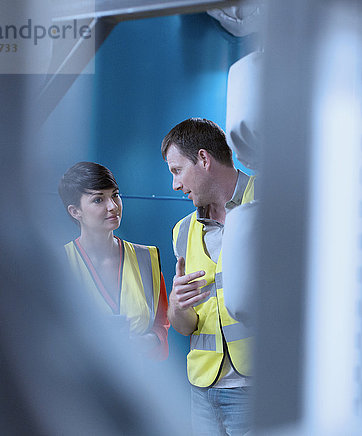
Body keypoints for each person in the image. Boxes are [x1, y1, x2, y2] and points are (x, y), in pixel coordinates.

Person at [161, 118, 255, 435]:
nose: (174, 185)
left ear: (203, 159)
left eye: (177, 170)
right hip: (203, 390)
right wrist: (176, 305)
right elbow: (185, 326)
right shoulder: (183, 230)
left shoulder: (271, 203)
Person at [58, 162, 169, 360]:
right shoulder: (58, 265)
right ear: (75, 211)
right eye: (98, 199)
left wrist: (142, 343)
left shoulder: (146, 258)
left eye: (115, 195)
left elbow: (161, 324)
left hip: (137, 384)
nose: (112, 206)